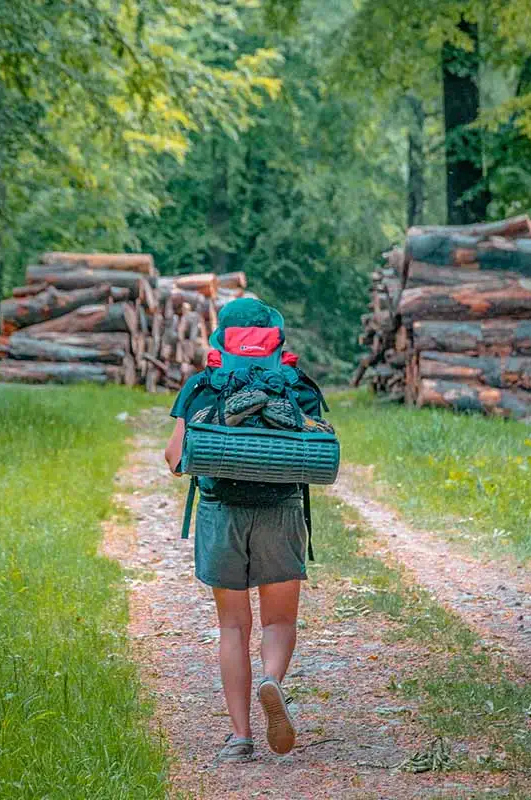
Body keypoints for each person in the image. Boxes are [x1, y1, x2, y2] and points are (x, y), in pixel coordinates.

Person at [164, 298, 323, 763]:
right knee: (279, 621)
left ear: (220, 338)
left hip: (221, 511)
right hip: (280, 510)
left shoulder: (203, 385)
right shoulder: (295, 385)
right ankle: (272, 679)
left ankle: (240, 738)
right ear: (277, 338)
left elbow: (176, 459)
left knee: (232, 626)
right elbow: (317, 449)